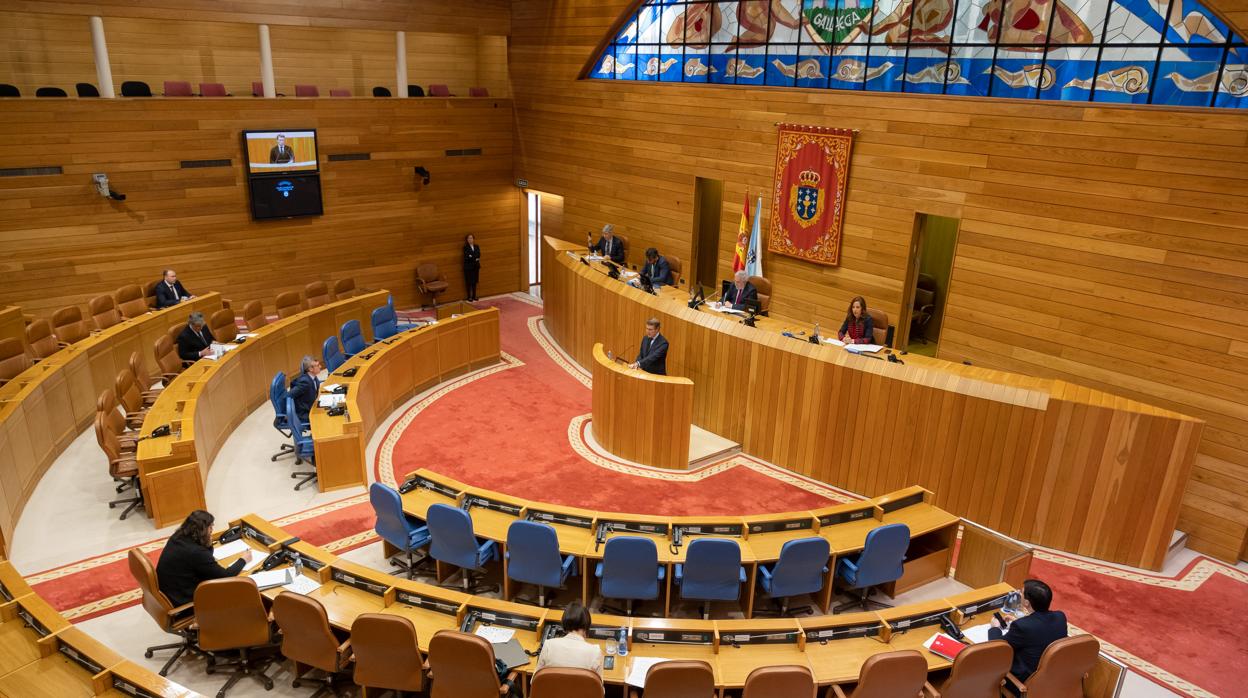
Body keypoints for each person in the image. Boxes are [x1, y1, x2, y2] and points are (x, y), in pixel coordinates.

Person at [155, 510, 252, 607]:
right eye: (210, 527)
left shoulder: (177, 537)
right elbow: (226, 575)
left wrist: (208, 544)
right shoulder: (196, 552)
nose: (212, 530)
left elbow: (203, 557)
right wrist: (243, 560)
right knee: (236, 588)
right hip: (183, 600)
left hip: (169, 592)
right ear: (202, 531)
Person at [989, 579, 1068, 688]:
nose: (1019, 593)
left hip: (1026, 682)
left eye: (1021, 592)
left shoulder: (1022, 626)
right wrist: (1021, 620)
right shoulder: (1060, 616)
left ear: (1026, 603)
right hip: (1053, 677)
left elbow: (998, 649)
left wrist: (995, 628)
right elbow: (1041, 627)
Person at [535, 601, 603, 676]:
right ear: (586, 626)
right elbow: (598, 686)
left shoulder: (548, 645)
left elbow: (534, 681)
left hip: (553, 687)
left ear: (563, 623)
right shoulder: (596, 652)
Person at [286, 355, 322, 424]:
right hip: (304, 414)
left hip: (312, 406)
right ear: (310, 369)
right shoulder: (305, 382)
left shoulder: (313, 377)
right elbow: (288, 395)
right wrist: (289, 413)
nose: (320, 366)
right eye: (318, 365)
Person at [463, 234, 482, 302]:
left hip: (475, 267)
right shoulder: (465, 247)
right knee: (469, 282)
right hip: (468, 267)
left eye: (471, 238)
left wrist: (472, 256)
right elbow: (467, 257)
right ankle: (469, 297)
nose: (470, 239)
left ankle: (474, 296)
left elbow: (479, 255)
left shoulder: (476, 246)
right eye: (469, 238)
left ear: (473, 239)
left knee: (474, 282)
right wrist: (474, 258)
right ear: (467, 240)